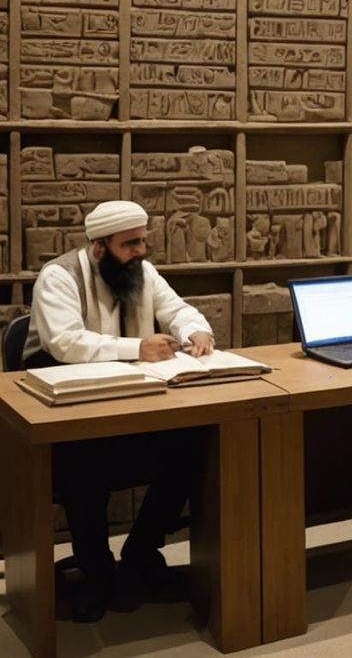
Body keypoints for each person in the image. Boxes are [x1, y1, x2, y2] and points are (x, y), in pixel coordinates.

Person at [23, 201, 215, 621]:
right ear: (98, 247)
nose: (141, 251)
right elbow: (66, 343)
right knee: (82, 465)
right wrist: (138, 348)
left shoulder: (141, 272)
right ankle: (95, 573)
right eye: (130, 244)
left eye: (143, 240)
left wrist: (195, 329)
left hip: (132, 408)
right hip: (66, 419)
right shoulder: (59, 277)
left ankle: (138, 555)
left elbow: (177, 309)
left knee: (190, 448)